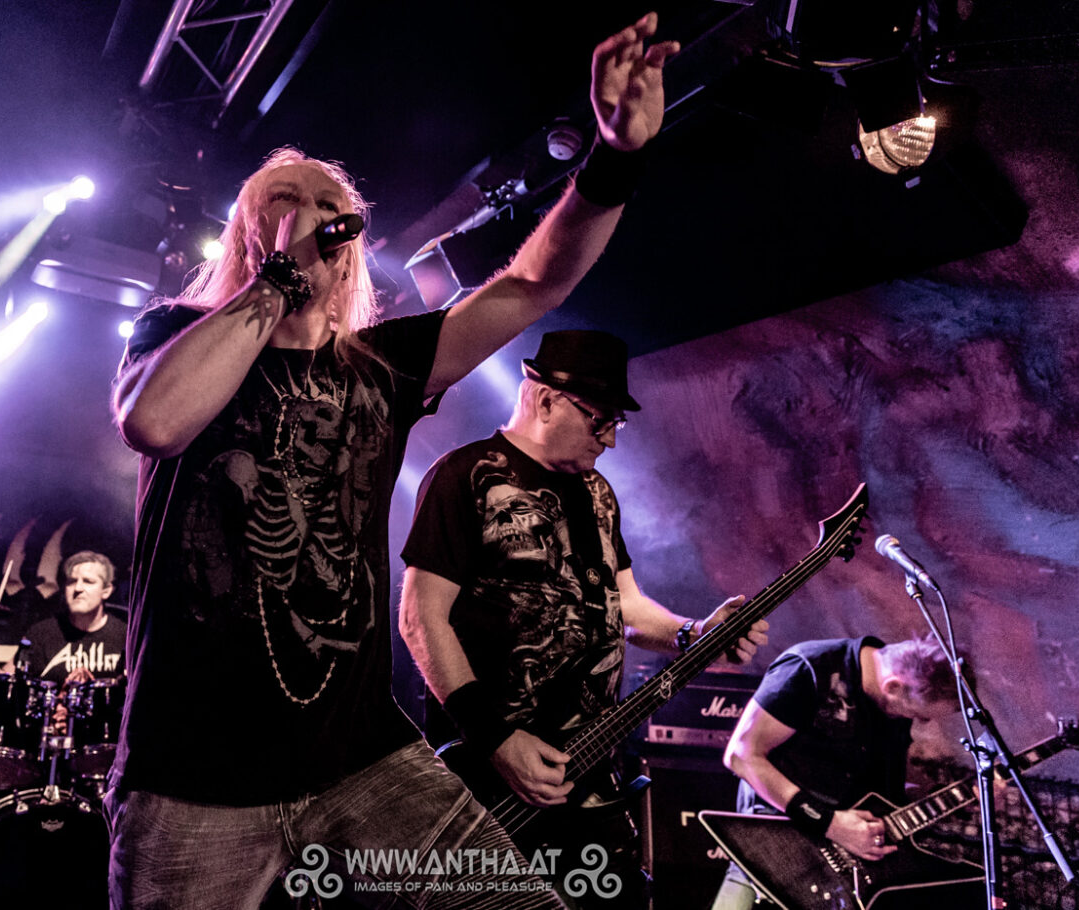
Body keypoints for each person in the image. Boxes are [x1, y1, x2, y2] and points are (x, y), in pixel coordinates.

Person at [108, 13, 682, 907]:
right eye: (282, 203)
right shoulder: (175, 332)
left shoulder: (384, 365)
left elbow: (532, 284)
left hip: (362, 758)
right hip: (193, 774)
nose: (308, 219)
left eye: (326, 209)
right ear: (249, 235)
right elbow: (155, 424)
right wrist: (277, 281)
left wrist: (612, 158)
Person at [398, 329, 769, 907]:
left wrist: (694, 634)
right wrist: (496, 740)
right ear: (546, 400)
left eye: (617, 423)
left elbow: (625, 605)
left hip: (590, 774)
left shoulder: (597, 492)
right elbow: (421, 618)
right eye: (600, 420)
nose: (611, 440)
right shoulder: (465, 476)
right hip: (491, 784)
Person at [707, 635, 961, 910]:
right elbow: (742, 756)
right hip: (777, 843)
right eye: (920, 715)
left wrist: (957, 796)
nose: (921, 722)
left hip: (840, 867)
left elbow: (882, 790)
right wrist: (829, 823)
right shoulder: (810, 668)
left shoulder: (890, 705)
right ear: (893, 686)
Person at [0, 550, 127, 687]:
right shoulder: (41, 633)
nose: (78, 588)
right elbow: (10, 687)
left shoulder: (125, 636)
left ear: (106, 590)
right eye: (72, 581)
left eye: (88, 581)